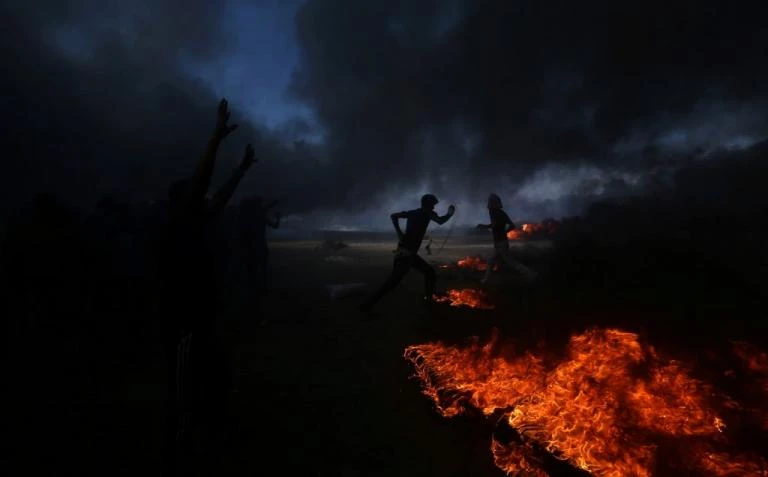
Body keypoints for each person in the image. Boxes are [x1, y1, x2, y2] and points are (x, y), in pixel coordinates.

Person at [158, 98, 257, 475]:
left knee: (215, 373)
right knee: (182, 388)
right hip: (181, 319)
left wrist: (242, 170)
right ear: (182, 201)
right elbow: (203, 182)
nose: (203, 197)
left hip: (202, 314)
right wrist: (215, 139)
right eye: (194, 194)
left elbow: (218, 195)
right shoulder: (178, 223)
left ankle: (210, 426)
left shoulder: (197, 219)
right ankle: (177, 449)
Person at [359, 194, 455, 313]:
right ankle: (367, 305)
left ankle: (429, 300)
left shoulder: (413, 212)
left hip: (405, 251)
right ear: (428, 204)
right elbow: (440, 221)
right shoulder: (427, 213)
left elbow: (393, 216)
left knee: (429, 272)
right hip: (407, 254)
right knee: (392, 282)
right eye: (433, 205)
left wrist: (399, 233)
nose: (434, 208)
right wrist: (450, 214)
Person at [476, 193, 537, 284]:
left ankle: (531, 275)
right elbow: (511, 225)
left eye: (490, 202)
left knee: (511, 262)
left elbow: (495, 225)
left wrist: (485, 226)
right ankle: (486, 280)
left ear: (493, 204)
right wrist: (504, 232)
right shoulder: (501, 213)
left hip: (501, 243)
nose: (488, 205)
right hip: (500, 242)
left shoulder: (494, 213)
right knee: (490, 260)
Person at [237, 196, 280, 297]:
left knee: (251, 269)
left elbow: (266, 207)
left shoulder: (245, 217)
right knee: (262, 269)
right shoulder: (261, 215)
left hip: (249, 246)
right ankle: (261, 288)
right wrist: (278, 217)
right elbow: (275, 226)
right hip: (260, 245)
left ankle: (251, 289)